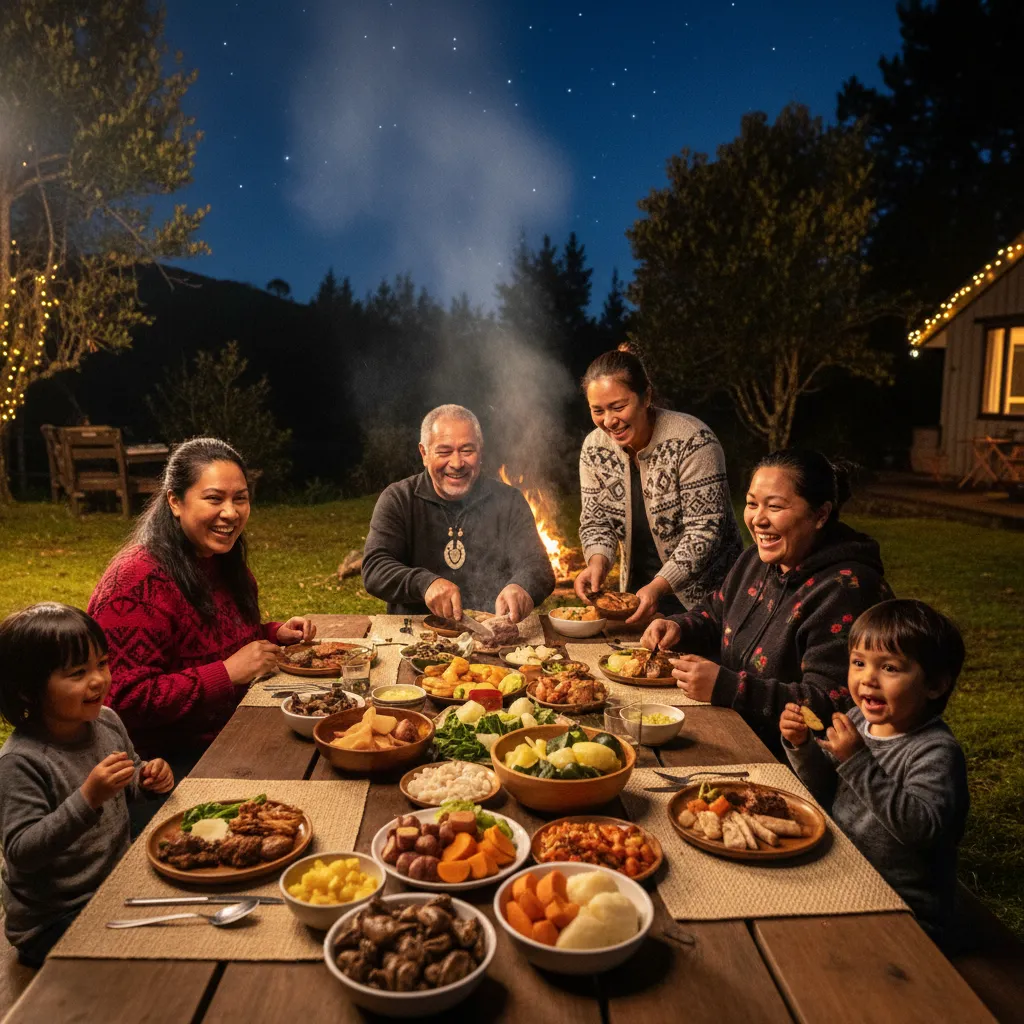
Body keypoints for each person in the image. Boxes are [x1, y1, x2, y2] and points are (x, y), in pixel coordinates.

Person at [88, 437, 315, 779]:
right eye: (214, 498)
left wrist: (273, 634)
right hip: (160, 768)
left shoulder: (221, 561)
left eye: (240, 498)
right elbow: (122, 699)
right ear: (175, 501)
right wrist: (226, 673)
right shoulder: (136, 582)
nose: (231, 512)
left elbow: (214, 640)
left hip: (233, 735)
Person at [641, 449, 892, 754]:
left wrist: (728, 687)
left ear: (820, 515)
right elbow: (716, 613)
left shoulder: (847, 590)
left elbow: (830, 705)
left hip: (796, 761)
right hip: (729, 728)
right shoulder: (754, 561)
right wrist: (679, 627)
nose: (758, 520)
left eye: (774, 506)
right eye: (751, 504)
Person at [780, 600, 969, 947]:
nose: (868, 678)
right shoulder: (856, 720)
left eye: (890, 668)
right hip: (843, 874)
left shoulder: (935, 751)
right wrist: (802, 745)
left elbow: (922, 830)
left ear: (935, 685)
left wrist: (857, 761)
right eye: (858, 663)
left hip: (902, 907)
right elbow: (824, 789)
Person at [0, 603, 175, 967]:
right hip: (54, 918)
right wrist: (88, 798)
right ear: (28, 691)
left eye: (102, 663)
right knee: (152, 960)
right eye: (78, 673)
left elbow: (129, 777)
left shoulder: (106, 722)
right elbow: (22, 851)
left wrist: (147, 778)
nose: (98, 680)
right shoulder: (21, 761)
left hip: (114, 885)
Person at [576, 349, 742, 622]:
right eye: (598, 410)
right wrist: (598, 562)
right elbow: (597, 522)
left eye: (618, 407)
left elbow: (705, 531)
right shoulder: (594, 448)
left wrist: (659, 586)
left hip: (707, 604)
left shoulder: (693, 441)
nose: (609, 421)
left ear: (647, 397)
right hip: (638, 596)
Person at [362, 404, 555, 622]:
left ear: (480, 451)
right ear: (424, 453)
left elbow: (538, 566)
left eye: (467, 451)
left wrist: (522, 586)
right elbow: (375, 568)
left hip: (492, 630)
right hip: (413, 632)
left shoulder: (509, 501)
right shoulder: (399, 498)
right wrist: (425, 583)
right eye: (444, 452)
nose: (456, 463)